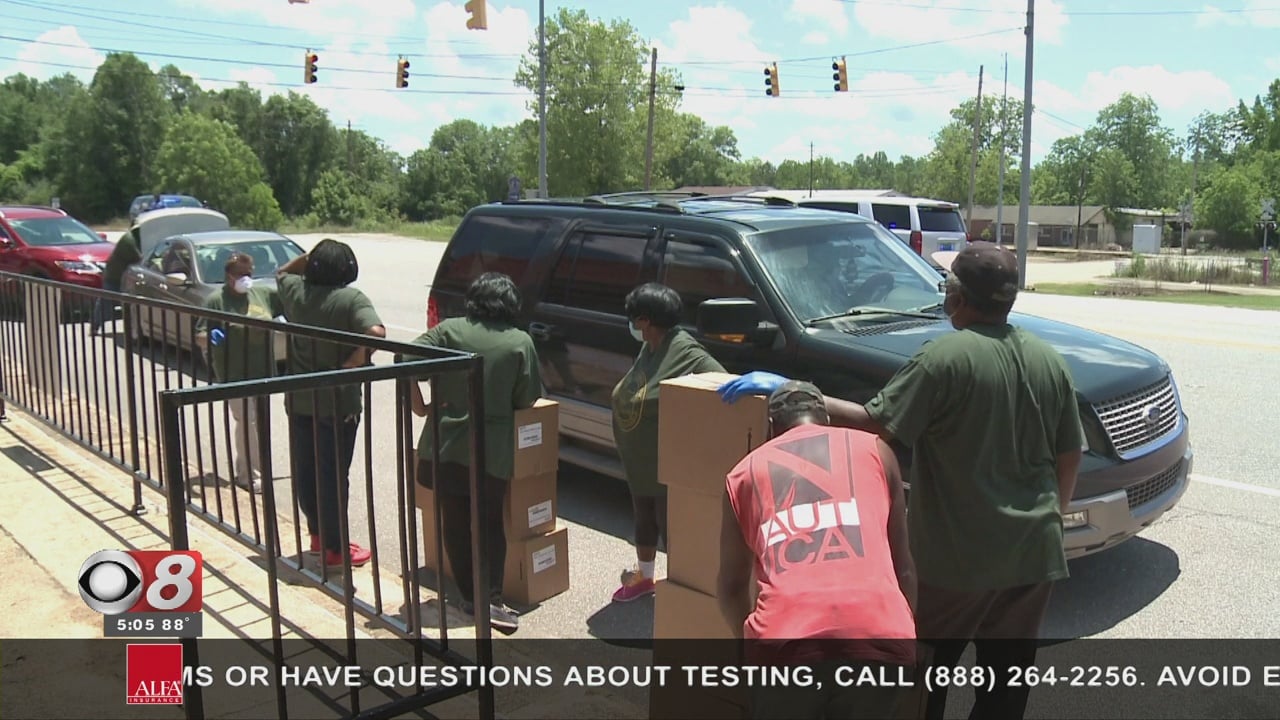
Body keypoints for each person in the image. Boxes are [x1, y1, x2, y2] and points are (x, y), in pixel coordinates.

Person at [717, 242, 1084, 720]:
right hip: (1034, 550)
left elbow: (876, 423)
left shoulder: (945, 358)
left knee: (927, 679)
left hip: (960, 557)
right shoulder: (1047, 358)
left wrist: (802, 398)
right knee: (1007, 684)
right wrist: (1051, 517)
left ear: (957, 297)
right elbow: (1069, 451)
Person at [717, 381, 916, 720]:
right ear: (826, 420)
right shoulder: (878, 452)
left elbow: (732, 587)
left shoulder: (743, 474)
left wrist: (748, 652)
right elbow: (904, 568)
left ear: (772, 430)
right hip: (880, 639)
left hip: (784, 646)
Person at [399, 272, 542, 633]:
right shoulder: (519, 343)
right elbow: (526, 398)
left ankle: (468, 596)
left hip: (444, 446)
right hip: (490, 451)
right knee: (490, 524)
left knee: (455, 522)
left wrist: (420, 406)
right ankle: (490, 600)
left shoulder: (449, 331)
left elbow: (402, 357)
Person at [611, 282, 725, 603]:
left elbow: (721, 384)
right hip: (642, 461)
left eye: (634, 318)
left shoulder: (686, 351)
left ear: (645, 320)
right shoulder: (650, 347)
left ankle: (686, 590)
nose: (632, 324)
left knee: (672, 529)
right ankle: (646, 578)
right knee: (643, 519)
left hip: (667, 463)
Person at [276, 239, 386, 569]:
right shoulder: (350, 298)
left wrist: (309, 258)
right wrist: (353, 363)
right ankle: (336, 549)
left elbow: (281, 271)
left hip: (299, 397)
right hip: (339, 403)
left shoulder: (297, 292)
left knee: (306, 470)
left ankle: (318, 537)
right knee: (334, 475)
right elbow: (376, 333)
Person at [195, 252, 285, 493]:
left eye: (249, 274)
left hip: (262, 369)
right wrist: (214, 336)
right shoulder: (217, 300)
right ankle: (248, 474)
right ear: (228, 276)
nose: (246, 279)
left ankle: (254, 468)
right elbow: (200, 335)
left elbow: (291, 298)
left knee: (258, 423)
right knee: (247, 420)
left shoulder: (262, 294)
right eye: (240, 275)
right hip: (234, 372)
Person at [92, 228, 140, 336]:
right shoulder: (129, 240)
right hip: (115, 276)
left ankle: (130, 330)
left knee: (128, 305)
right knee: (106, 302)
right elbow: (137, 257)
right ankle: (95, 325)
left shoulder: (140, 240)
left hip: (125, 277)